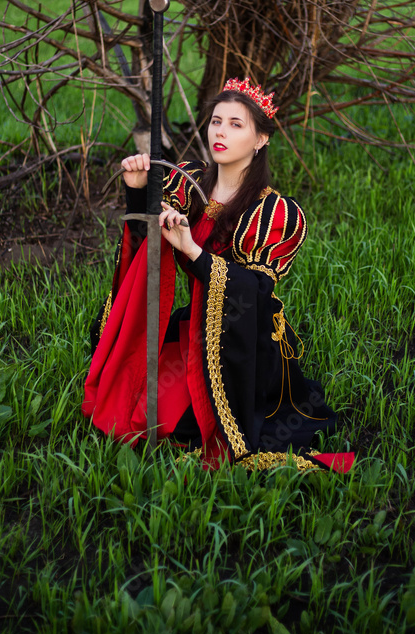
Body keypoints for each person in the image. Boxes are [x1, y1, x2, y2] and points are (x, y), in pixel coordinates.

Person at [82, 77, 354, 473]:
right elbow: (146, 248)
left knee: (177, 425)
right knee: (134, 404)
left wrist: (191, 250)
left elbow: (255, 292)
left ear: (261, 139)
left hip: (245, 343)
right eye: (216, 121)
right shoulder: (187, 182)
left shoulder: (274, 213)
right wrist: (137, 191)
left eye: (236, 124)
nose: (220, 131)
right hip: (194, 326)